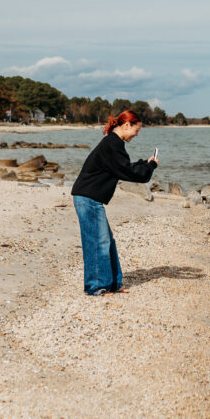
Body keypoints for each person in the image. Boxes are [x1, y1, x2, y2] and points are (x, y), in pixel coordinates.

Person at [71, 110, 159, 296]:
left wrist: (145, 163)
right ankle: (96, 287)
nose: (137, 134)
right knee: (98, 242)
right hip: (87, 197)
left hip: (90, 198)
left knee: (106, 241)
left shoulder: (113, 143)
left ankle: (111, 284)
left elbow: (123, 167)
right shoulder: (112, 143)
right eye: (137, 129)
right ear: (127, 125)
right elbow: (131, 172)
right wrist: (150, 166)